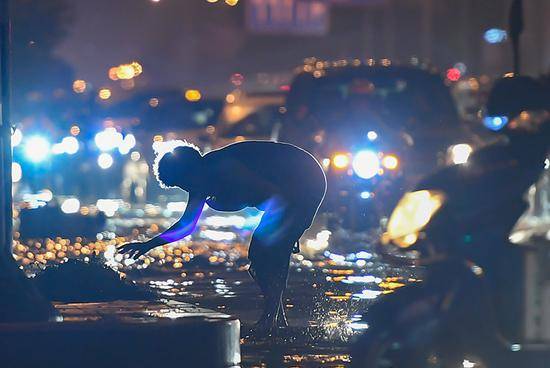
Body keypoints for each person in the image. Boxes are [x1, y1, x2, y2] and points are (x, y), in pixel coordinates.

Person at [119, 140, 326, 333]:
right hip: (292, 183)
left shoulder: (224, 169)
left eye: (182, 183)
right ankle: (277, 321)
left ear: (190, 171)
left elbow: (276, 197)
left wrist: (287, 231)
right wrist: (149, 245)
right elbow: (186, 226)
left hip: (305, 179)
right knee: (264, 255)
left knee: (263, 252)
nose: (187, 189)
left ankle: (270, 320)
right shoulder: (200, 179)